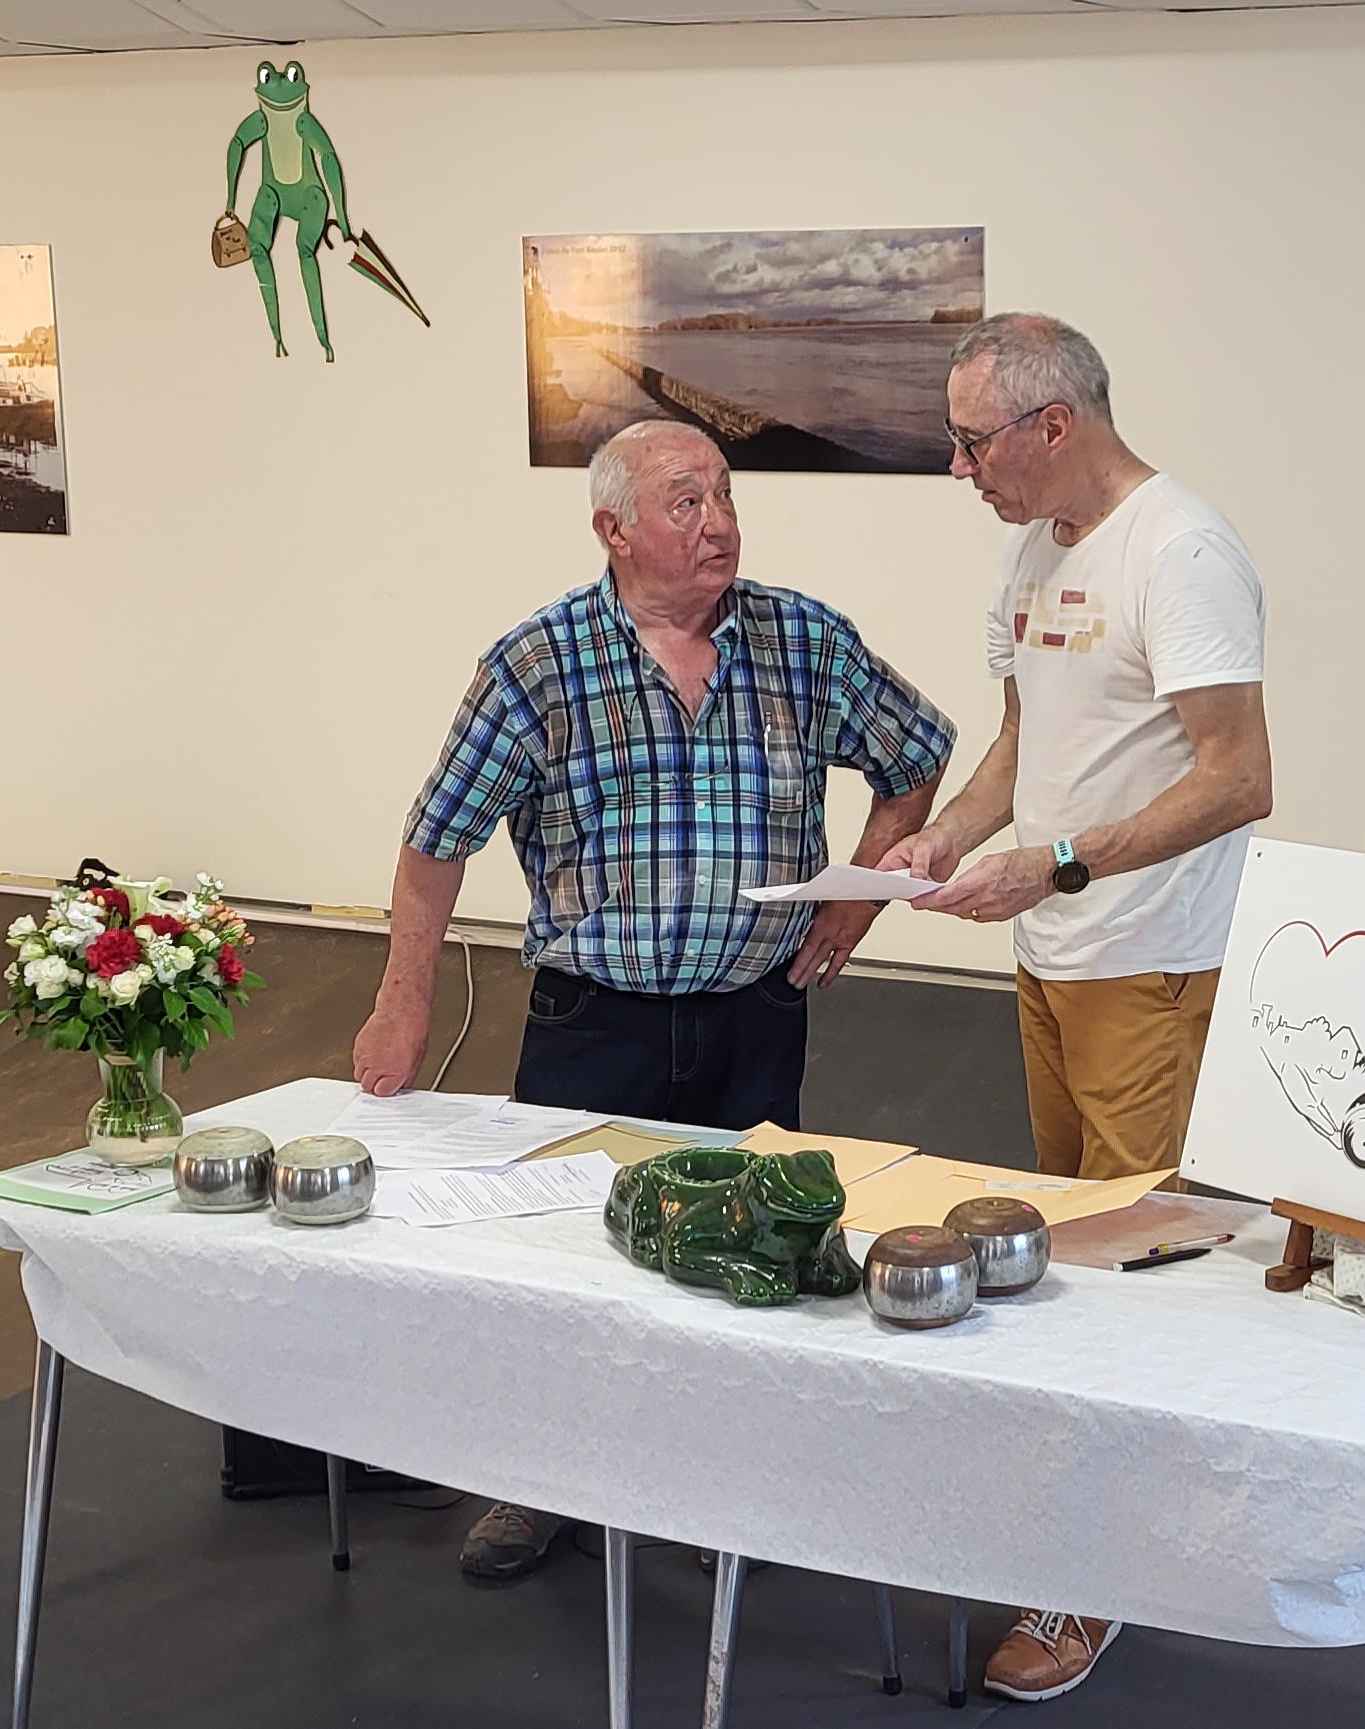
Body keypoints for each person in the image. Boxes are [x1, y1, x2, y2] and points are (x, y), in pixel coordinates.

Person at [354, 418, 955, 1580]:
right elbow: (435, 845)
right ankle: (545, 1485)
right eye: (686, 502)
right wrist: (403, 1003)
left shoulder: (803, 641)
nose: (720, 521)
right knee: (573, 1260)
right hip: (597, 1017)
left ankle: (730, 1484)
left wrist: (859, 899)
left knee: (761, 1248)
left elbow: (917, 750)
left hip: (754, 1009)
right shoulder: (538, 664)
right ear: (612, 530)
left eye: (725, 496)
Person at [879, 314, 1271, 1703]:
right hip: (1050, 956)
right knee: (1068, 1240)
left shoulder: (1179, 552)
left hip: (1145, 956)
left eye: (972, 441)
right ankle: (1084, 1511)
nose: (957, 467)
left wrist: (1053, 861)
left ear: (1054, 426)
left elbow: (1236, 778)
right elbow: (1022, 746)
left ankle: (1102, 1576)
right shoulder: (1029, 545)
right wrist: (947, 837)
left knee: (1124, 1266)